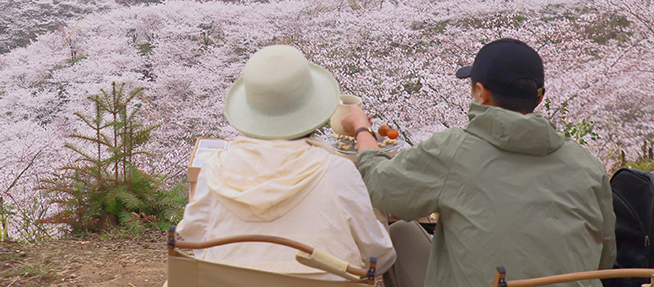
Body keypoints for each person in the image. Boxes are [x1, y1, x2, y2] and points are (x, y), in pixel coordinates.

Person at [339, 38, 616, 287]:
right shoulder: (588, 166)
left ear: (480, 93)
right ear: (539, 97)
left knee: (401, 233)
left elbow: (380, 187)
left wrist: (362, 130)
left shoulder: (454, 150)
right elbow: (604, 256)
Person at [176, 44, 396, 279]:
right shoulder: (336, 172)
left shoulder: (215, 169)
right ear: (314, 108)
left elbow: (190, 237)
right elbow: (379, 256)